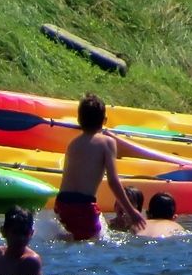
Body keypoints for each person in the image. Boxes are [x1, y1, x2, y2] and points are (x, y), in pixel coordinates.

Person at [55, 93, 145, 240]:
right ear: (104, 120)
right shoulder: (107, 142)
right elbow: (113, 181)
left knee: (71, 239)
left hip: (62, 203)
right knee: (95, 242)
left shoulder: (73, 144)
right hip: (83, 204)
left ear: (79, 119)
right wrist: (131, 211)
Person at [0, 206, 43, 275]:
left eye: (25, 233)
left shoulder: (30, 261)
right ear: (3, 231)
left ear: (31, 233)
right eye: (15, 233)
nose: (21, 238)